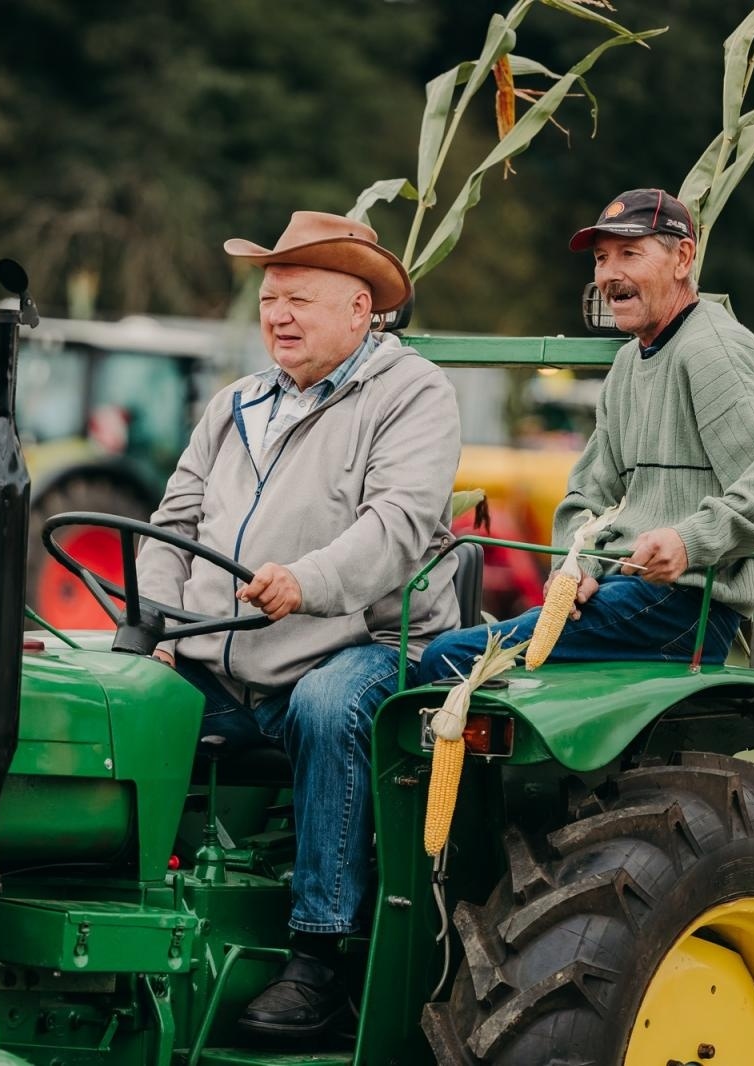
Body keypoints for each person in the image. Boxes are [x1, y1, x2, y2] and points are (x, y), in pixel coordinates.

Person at [136, 211, 462, 1038]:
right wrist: (157, 634)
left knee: (328, 705)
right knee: (120, 704)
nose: (278, 316)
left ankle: (321, 961)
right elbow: (170, 524)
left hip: (367, 646)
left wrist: (307, 582)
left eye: (299, 300)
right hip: (225, 658)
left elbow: (397, 527)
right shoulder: (237, 403)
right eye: (269, 300)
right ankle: (135, 917)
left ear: (360, 309)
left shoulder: (412, 394)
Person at [421, 188, 754, 680]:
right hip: (628, 595)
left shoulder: (711, 351)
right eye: (601, 258)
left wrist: (688, 541)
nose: (610, 274)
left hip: (685, 608)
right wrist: (577, 567)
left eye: (630, 253)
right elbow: (587, 495)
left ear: (683, 258)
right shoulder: (630, 362)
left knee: (446, 657)